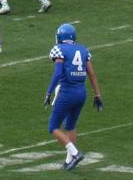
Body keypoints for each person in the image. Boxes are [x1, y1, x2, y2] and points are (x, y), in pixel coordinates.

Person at [43, 22, 102, 171]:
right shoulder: (83, 50)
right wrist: (97, 94)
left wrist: (49, 92)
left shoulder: (59, 49)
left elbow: (57, 73)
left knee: (53, 127)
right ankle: (69, 160)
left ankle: (75, 153)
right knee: (70, 125)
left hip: (67, 92)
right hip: (82, 93)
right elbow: (92, 75)